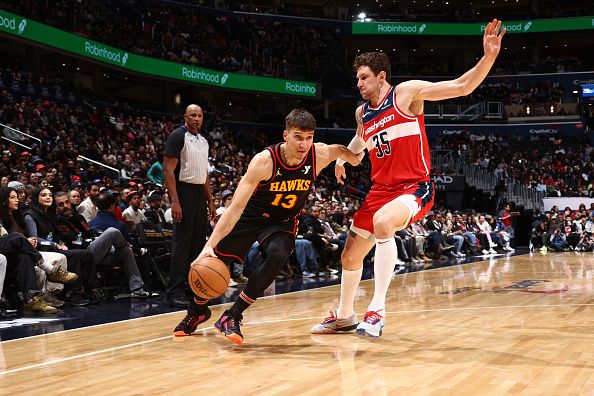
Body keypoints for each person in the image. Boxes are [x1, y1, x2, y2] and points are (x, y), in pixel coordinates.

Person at [311, 19, 506, 337]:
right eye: (357, 78)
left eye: (364, 78)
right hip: (380, 190)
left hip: (414, 187)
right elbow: (361, 143)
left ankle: (376, 310)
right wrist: (342, 159)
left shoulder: (406, 94)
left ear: (381, 76)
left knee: (384, 223)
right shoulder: (363, 113)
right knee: (349, 255)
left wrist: (488, 57)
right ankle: (345, 315)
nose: (359, 84)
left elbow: (461, 87)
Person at [173, 108, 362, 343]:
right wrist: (209, 245)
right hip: (252, 215)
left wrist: (345, 157)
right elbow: (235, 208)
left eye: (309, 137)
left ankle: (232, 315)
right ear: (285, 135)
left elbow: (349, 153)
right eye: (298, 137)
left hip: (282, 221)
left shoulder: (320, 154)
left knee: (279, 254)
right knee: (214, 262)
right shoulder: (264, 161)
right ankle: (197, 311)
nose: (304, 144)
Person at [163, 104, 216, 308]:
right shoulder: (178, 136)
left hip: (198, 194)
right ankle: (173, 290)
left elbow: (204, 174)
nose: (196, 118)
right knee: (182, 243)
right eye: (192, 115)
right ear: (185, 116)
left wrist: (210, 199)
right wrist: (175, 201)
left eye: (200, 115)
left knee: (196, 244)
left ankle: (191, 287)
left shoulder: (203, 141)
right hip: (183, 192)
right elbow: (168, 171)